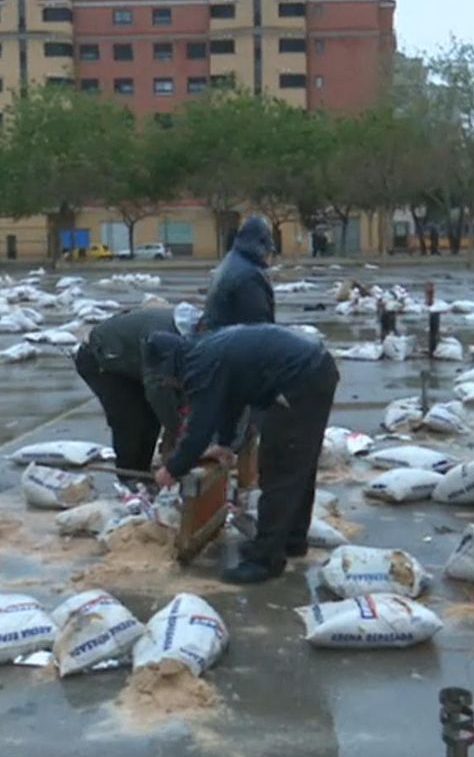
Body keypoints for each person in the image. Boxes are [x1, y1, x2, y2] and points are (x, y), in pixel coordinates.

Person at [144, 325, 339, 584]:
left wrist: (173, 469)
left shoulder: (200, 366)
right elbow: (231, 401)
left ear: (170, 365)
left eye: (166, 379)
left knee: (280, 467)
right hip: (313, 368)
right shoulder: (203, 353)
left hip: (302, 377)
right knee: (296, 463)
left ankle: (265, 560)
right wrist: (225, 444)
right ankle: (291, 540)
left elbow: (199, 427)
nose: (170, 384)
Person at [72, 307, 183, 475]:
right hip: (102, 360)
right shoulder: (163, 341)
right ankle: (129, 476)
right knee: (130, 418)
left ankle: (142, 472)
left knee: (151, 418)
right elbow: (157, 389)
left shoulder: (201, 340)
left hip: (134, 361)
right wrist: (176, 428)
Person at [204, 216, 276, 330]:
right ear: (263, 245)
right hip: (232, 338)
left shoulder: (231, 261)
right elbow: (258, 327)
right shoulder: (250, 275)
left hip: (218, 334)